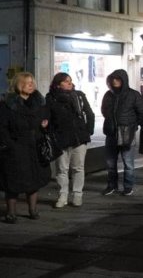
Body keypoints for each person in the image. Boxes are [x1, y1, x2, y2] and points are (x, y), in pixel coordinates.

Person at [0, 72, 51, 223]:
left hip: (34, 148)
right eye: (27, 82)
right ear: (18, 84)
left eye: (32, 82)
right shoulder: (7, 105)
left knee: (33, 180)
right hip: (15, 149)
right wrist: (11, 145)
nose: (31, 85)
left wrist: (45, 126)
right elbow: (2, 128)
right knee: (13, 182)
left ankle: (33, 210)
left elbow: (46, 121)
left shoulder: (39, 103)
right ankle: (11, 213)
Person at [46, 72, 95, 208]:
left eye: (70, 81)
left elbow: (89, 113)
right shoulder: (51, 98)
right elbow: (48, 118)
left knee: (78, 168)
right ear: (57, 84)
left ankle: (77, 194)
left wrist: (88, 131)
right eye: (66, 81)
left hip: (79, 137)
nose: (70, 83)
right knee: (62, 169)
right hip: (60, 138)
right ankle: (63, 195)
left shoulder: (79, 95)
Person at [101, 69, 143, 196]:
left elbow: (142, 114)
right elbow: (104, 110)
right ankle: (112, 185)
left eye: (118, 79)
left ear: (124, 80)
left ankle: (128, 186)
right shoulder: (108, 94)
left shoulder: (133, 95)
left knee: (128, 163)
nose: (115, 81)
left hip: (127, 133)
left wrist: (134, 125)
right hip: (111, 132)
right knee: (110, 163)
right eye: (113, 79)